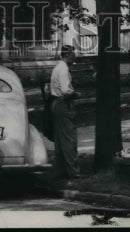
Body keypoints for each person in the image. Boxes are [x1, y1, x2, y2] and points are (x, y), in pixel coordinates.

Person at [49, 45, 80, 179]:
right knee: (69, 139)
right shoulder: (63, 69)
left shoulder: (58, 67)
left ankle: (61, 171)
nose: (74, 57)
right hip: (63, 104)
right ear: (67, 55)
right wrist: (76, 94)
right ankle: (74, 172)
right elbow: (66, 91)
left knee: (60, 140)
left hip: (56, 104)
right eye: (73, 54)